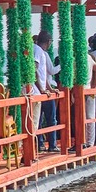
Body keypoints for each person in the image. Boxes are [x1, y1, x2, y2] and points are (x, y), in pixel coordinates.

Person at [34, 18, 60, 152]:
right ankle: (52, 144)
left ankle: (40, 144)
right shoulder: (39, 51)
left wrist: (49, 88)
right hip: (38, 91)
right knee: (50, 119)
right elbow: (35, 70)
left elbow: (44, 74)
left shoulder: (38, 51)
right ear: (48, 42)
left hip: (42, 89)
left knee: (39, 119)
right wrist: (42, 89)